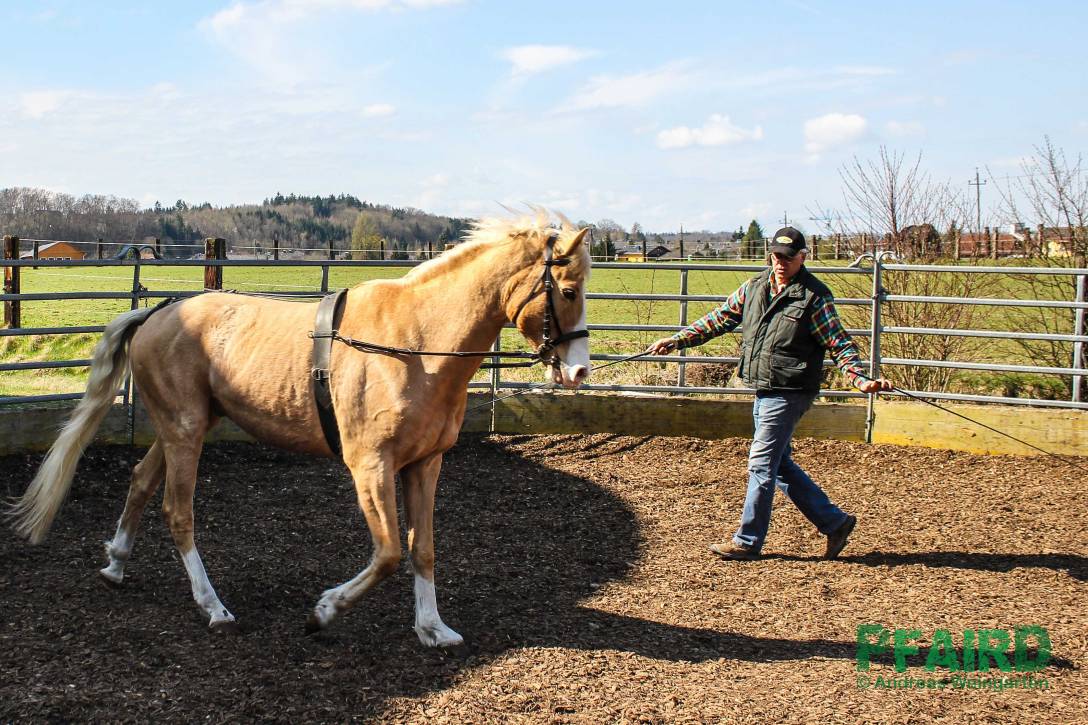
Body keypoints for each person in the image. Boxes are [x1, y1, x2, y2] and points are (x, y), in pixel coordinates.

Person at [647, 226, 892, 561]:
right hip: (764, 387)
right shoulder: (755, 287)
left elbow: (839, 342)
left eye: (788, 257)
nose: (781, 262)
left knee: (761, 462)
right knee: (778, 465)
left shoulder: (813, 298)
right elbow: (718, 319)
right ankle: (834, 523)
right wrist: (677, 340)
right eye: (777, 256)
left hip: (791, 390)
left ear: (803, 257)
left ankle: (747, 541)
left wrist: (859, 379)